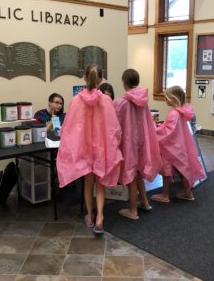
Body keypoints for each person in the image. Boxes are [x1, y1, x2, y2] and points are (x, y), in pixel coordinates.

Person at [57, 64, 123, 234]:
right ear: (100, 80)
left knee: (88, 183)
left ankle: (89, 215)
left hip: (84, 149)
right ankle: (100, 217)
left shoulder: (76, 101)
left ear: (85, 78)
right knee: (100, 183)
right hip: (101, 149)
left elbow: (68, 127)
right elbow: (113, 127)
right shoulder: (107, 100)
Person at [114, 69, 162, 220]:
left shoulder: (121, 102)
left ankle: (133, 210)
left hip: (129, 142)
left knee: (130, 175)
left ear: (124, 82)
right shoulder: (144, 100)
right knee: (138, 171)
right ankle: (145, 202)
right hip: (142, 140)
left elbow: (115, 124)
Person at [151, 85, 205, 203]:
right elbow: (172, 128)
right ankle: (188, 193)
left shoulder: (173, 113)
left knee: (167, 171)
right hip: (179, 145)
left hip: (171, 147)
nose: (165, 100)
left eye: (166, 98)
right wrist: (162, 126)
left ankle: (165, 195)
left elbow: (168, 131)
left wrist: (154, 128)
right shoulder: (180, 112)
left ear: (173, 98)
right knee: (182, 170)